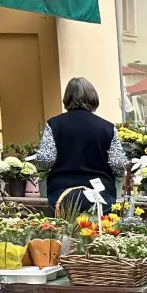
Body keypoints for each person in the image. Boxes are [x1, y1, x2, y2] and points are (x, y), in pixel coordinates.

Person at [34, 77, 128, 211]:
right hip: (100, 195)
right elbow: (118, 165)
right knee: (101, 230)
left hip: (62, 195)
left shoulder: (54, 124)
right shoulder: (107, 127)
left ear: (67, 98)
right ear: (92, 97)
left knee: (63, 230)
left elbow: (45, 161)